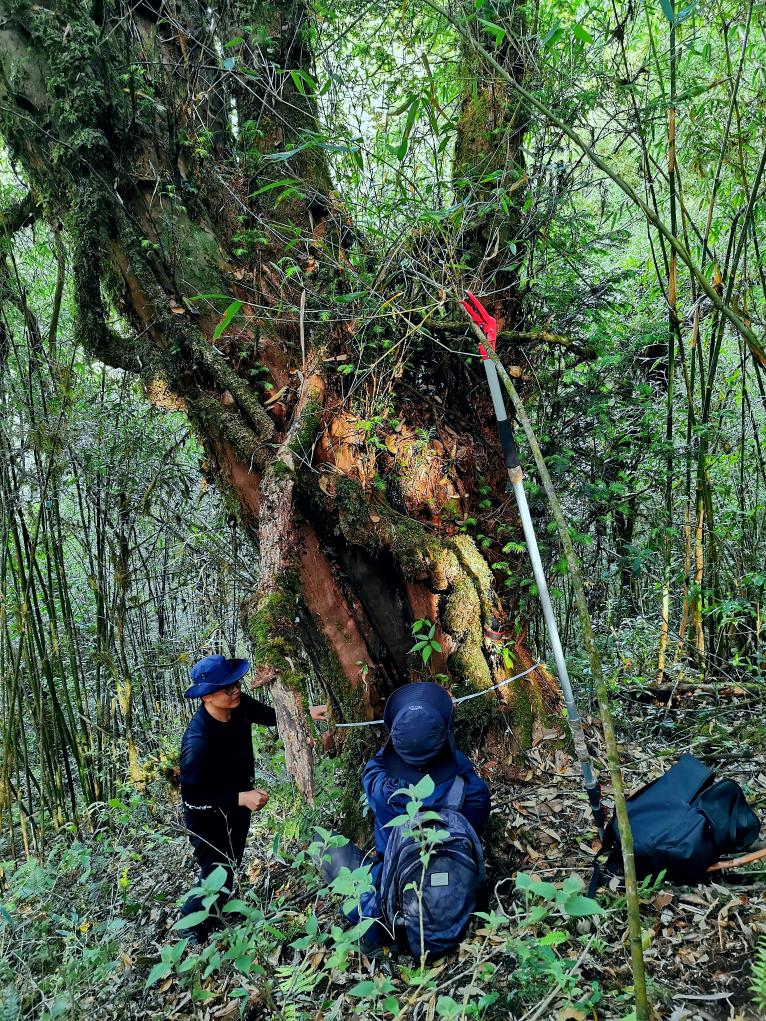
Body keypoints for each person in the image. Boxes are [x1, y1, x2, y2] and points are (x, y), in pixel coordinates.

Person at [316, 681, 490, 947]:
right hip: (453, 899)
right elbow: (469, 787)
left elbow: (376, 763)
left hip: (396, 899)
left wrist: (404, 739)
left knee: (322, 845)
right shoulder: (471, 791)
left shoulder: (380, 786)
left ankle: (376, 925)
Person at [179, 654, 326, 940]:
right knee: (215, 870)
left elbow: (273, 717)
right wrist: (240, 797)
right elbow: (194, 796)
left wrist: (307, 712)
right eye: (227, 688)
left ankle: (214, 914)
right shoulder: (197, 742)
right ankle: (189, 925)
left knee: (230, 864)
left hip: (237, 803)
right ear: (207, 696)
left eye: (236, 684)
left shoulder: (240, 706)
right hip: (207, 815)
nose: (236, 692)